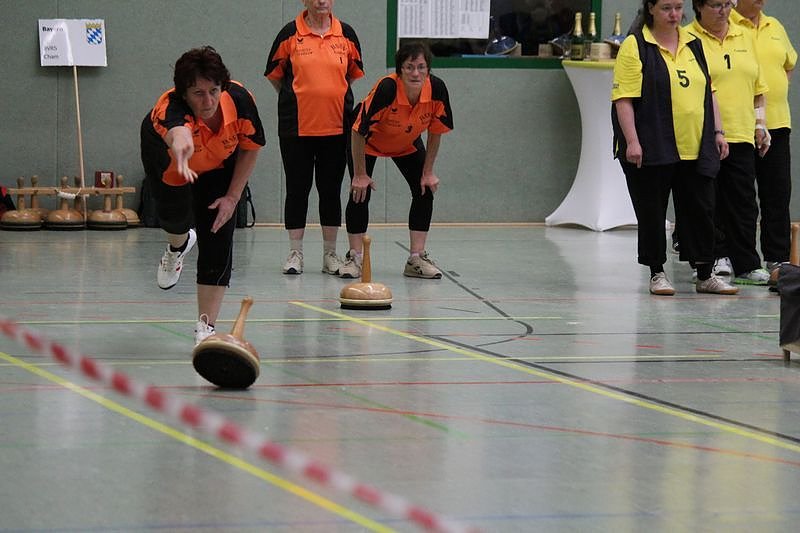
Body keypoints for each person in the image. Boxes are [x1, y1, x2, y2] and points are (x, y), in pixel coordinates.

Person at [611, 0, 738, 295]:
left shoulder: (694, 43)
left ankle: (705, 273)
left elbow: (709, 91)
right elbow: (624, 99)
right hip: (653, 144)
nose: (674, 15)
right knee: (652, 211)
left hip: (695, 145)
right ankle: (657, 273)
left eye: (678, 8)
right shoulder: (636, 45)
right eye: (667, 8)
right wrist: (632, 141)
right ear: (651, 9)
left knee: (701, 210)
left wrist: (718, 132)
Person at [141, 46, 266, 344]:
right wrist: (181, 140)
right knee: (175, 220)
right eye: (198, 93)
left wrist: (233, 197)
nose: (208, 101)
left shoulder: (240, 101)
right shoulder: (168, 109)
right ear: (183, 93)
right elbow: (177, 132)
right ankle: (177, 248)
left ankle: (205, 328)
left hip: (218, 165)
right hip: (171, 161)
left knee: (218, 233)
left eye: (214, 90)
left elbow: (250, 148)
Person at [264, 0, 364, 275]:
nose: (322, 1)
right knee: (297, 189)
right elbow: (275, 77)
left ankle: (329, 254)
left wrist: (329, 94)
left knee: (330, 190)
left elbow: (351, 76)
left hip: (336, 127)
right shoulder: (288, 34)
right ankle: (295, 253)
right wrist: (299, 97)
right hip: (296, 128)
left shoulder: (347, 34)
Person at [340, 41, 454, 280]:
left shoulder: (437, 89)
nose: (415, 73)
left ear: (428, 70)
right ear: (400, 70)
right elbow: (358, 129)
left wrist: (428, 171)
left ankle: (416, 258)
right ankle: (355, 258)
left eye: (421, 67)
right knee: (360, 192)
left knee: (424, 189)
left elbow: (436, 130)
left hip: (406, 143)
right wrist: (360, 174)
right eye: (409, 67)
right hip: (368, 142)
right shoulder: (387, 89)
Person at [688, 0, 771, 285]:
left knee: (744, 203)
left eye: (727, 3)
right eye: (715, 5)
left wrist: (761, 124)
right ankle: (712, 259)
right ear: (699, 6)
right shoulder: (688, 38)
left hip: (741, 133)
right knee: (706, 201)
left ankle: (747, 263)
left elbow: (759, 89)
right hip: (703, 134)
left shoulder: (744, 35)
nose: (723, 10)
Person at [732, 0, 797, 278]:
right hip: (742, 124)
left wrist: (779, 88)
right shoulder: (728, 26)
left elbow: (788, 63)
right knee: (742, 197)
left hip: (778, 122)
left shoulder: (775, 26)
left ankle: (777, 257)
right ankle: (742, 260)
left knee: (777, 193)